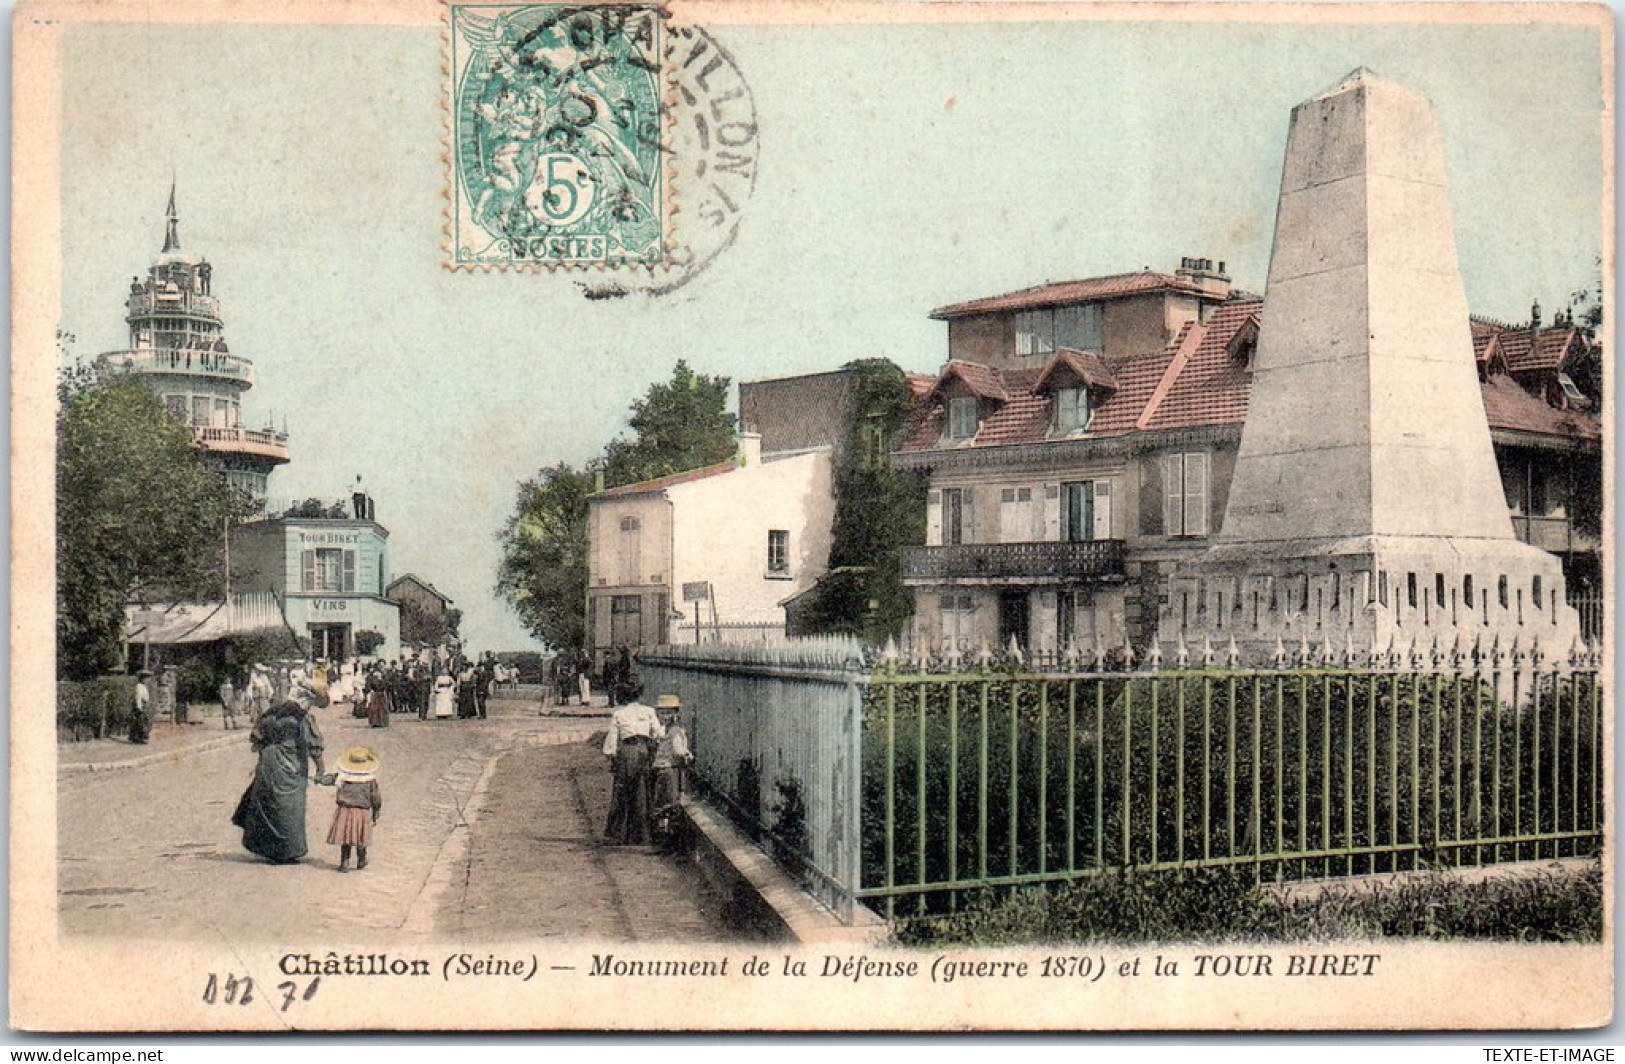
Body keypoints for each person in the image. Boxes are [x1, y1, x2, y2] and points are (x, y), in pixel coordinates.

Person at [230, 683, 326, 864]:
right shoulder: (303, 719)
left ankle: (271, 850)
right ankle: (287, 851)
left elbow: (257, 738)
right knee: (290, 808)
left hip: (269, 762)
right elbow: (314, 746)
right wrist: (321, 768)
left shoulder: (271, 715)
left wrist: (265, 757)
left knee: (271, 804)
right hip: (292, 764)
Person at [602, 684, 664, 845]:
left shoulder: (619, 714)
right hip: (643, 751)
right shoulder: (649, 712)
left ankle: (619, 833)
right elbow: (658, 733)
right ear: (640, 696)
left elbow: (611, 743)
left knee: (622, 792)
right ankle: (642, 835)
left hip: (626, 752)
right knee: (642, 791)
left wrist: (612, 756)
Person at [327, 745, 383, 873]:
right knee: (361, 837)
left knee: (346, 838)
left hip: (345, 810)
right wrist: (376, 812)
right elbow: (375, 797)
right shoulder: (370, 780)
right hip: (362, 811)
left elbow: (329, 779)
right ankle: (361, 860)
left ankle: (344, 862)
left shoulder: (342, 776)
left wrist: (319, 779)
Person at [128, 671, 153, 744]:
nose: (147, 680)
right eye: (146, 678)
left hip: (143, 705)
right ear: (142, 678)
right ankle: (139, 738)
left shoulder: (143, 686)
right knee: (140, 723)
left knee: (141, 722)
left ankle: (139, 738)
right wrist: (139, 707)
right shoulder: (139, 686)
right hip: (140, 706)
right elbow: (138, 697)